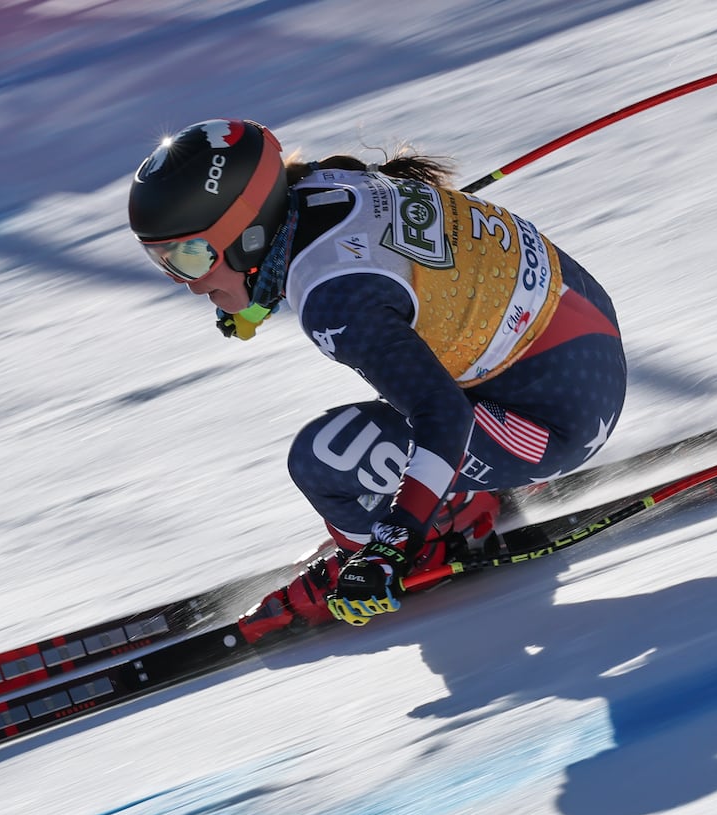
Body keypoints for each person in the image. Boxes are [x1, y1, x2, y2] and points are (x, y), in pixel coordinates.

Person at [128, 119, 627, 633]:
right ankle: (444, 501)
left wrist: (394, 542)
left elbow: (441, 413)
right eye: (163, 262)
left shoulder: (332, 299)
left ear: (247, 234)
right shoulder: (319, 185)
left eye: (190, 258)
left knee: (327, 458)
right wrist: (254, 297)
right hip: (581, 328)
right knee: (402, 378)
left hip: (555, 422)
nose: (189, 285)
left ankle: (411, 543)